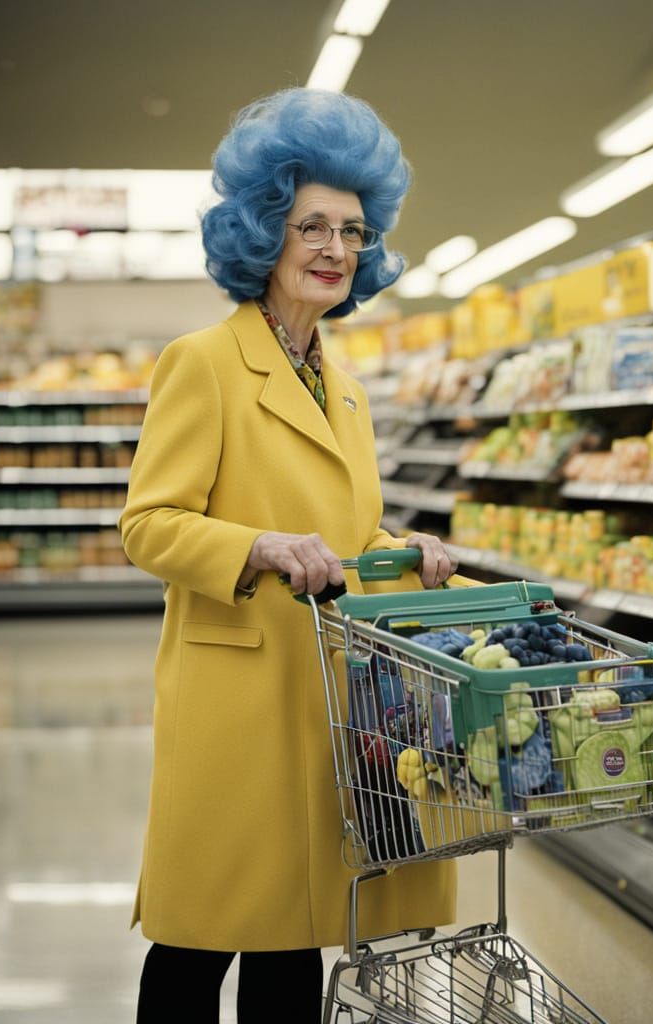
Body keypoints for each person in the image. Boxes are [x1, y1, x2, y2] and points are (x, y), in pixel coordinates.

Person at [120, 88, 459, 1023]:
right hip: (236, 697)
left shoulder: (342, 387)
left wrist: (406, 550)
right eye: (310, 225)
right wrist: (257, 546)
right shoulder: (204, 361)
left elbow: (347, 535)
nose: (333, 249)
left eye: (352, 231)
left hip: (323, 695)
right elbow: (148, 523)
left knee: (297, 925)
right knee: (200, 933)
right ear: (263, 231)